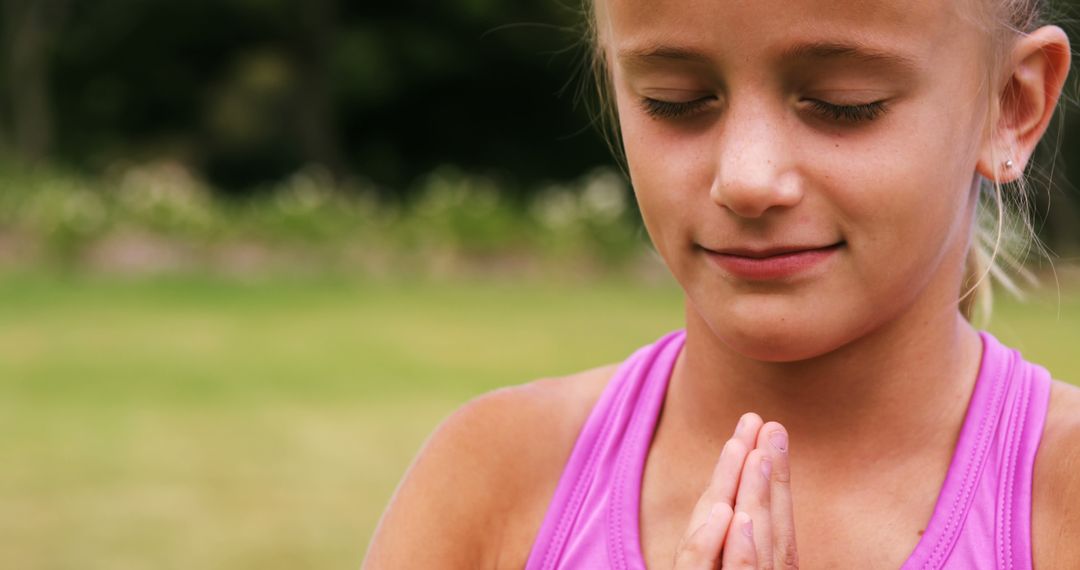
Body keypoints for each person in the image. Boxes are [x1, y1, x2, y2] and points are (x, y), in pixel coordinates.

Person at [363, 0, 1078, 567]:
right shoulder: (495, 480)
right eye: (676, 100)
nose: (746, 178)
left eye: (843, 102)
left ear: (1012, 105)